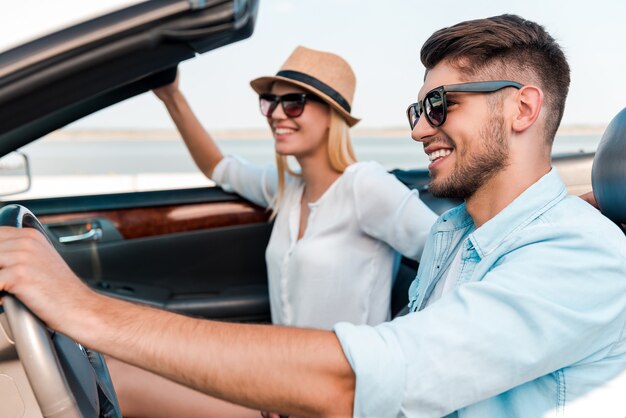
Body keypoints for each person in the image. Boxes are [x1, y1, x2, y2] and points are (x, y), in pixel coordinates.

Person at [2, 13, 626, 417]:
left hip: (329, 389)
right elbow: (220, 169)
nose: (420, 130)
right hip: (312, 391)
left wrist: (83, 308)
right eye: (417, 111)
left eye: (439, 105)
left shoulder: (581, 256)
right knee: (116, 381)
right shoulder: (453, 233)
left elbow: (365, 378)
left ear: (522, 110)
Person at [107, 46, 437, 418]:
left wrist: (394, 353)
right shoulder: (287, 187)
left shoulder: (365, 186)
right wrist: (171, 96)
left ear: (332, 115)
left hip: (333, 393)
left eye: (293, 103)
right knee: (120, 363)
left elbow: (446, 255)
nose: (277, 114)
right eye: (270, 103)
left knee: (124, 385)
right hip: (281, 377)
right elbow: (220, 167)